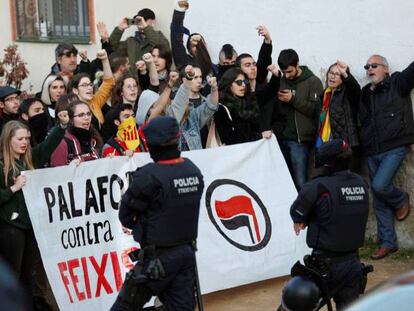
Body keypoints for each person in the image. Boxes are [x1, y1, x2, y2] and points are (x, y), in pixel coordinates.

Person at [111, 116, 204, 311]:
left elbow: (125, 216)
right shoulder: (192, 170)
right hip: (186, 255)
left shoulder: (148, 175)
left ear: (151, 144)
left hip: (157, 261)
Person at [290, 139, 369, 310]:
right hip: (353, 262)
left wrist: (304, 219)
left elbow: (296, 212)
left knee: (294, 300)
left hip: (324, 266)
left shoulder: (317, 186)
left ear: (326, 163)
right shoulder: (361, 183)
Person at [0, 120, 65, 309]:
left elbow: (47, 146)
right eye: (20, 138)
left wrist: (61, 126)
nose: (24, 142)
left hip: (31, 226)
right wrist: (13, 188)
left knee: (29, 274)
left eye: (27, 138)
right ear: (8, 140)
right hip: (10, 228)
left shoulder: (30, 159)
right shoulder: (2, 165)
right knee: (14, 274)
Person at [358, 55, 414, 259]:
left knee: (381, 186)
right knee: (379, 198)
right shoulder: (365, 93)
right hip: (372, 150)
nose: (369, 69)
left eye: (374, 66)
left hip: (395, 147)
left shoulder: (398, 83)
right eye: (367, 67)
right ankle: (388, 243)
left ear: (385, 68)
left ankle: (401, 199)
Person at [263, 49, 323, 190]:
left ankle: (304, 211)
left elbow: (317, 111)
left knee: (301, 183)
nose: (287, 75)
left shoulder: (313, 81)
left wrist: (293, 99)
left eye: (290, 71)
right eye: (284, 72)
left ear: (297, 65)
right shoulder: (282, 79)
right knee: (283, 182)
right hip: (280, 138)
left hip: (300, 141)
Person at [109, 8, 170, 77]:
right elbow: (111, 48)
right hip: (134, 84)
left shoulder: (160, 38)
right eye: (138, 21)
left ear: (153, 22)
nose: (141, 22)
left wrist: (146, 28)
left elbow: (161, 48)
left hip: (152, 81)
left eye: (144, 20)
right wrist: (119, 29)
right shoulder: (131, 41)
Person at [68, 49, 115, 131]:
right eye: (85, 85)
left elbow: (109, 82)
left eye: (90, 84)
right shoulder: (70, 108)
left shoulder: (94, 102)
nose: (89, 88)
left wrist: (105, 59)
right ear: (75, 90)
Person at [214, 67, 261, 145]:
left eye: (245, 81)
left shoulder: (248, 102)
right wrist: (259, 136)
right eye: (238, 82)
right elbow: (229, 139)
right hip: (235, 154)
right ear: (228, 84)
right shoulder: (221, 108)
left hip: (252, 151)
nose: (243, 85)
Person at [50, 102, 102, 167]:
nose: (86, 118)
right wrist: (69, 168)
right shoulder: (62, 142)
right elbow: (56, 173)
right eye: (81, 115)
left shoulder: (93, 138)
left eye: (88, 114)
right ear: (71, 119)